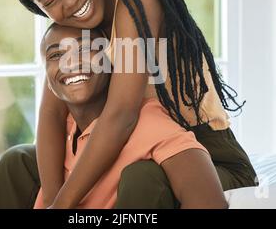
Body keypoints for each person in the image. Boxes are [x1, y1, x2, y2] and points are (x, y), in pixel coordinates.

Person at [0, 0, 257, 208]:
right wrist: (51, 197)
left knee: (141, 177)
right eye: (49, 1)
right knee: (18, 163)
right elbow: (52, 114)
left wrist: (62, 206)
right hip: (129, 148)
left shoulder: (136, 2)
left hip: (200, 154)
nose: (70, 0)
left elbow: (121, 116)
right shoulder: (77, 22)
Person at [34, 23, 227, 209]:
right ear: (48, 82)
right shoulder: (58, 135)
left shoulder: (147, 121)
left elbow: (209, 200)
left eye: (85, 48)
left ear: (111, 63)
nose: (70, 62)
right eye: (56, 54)